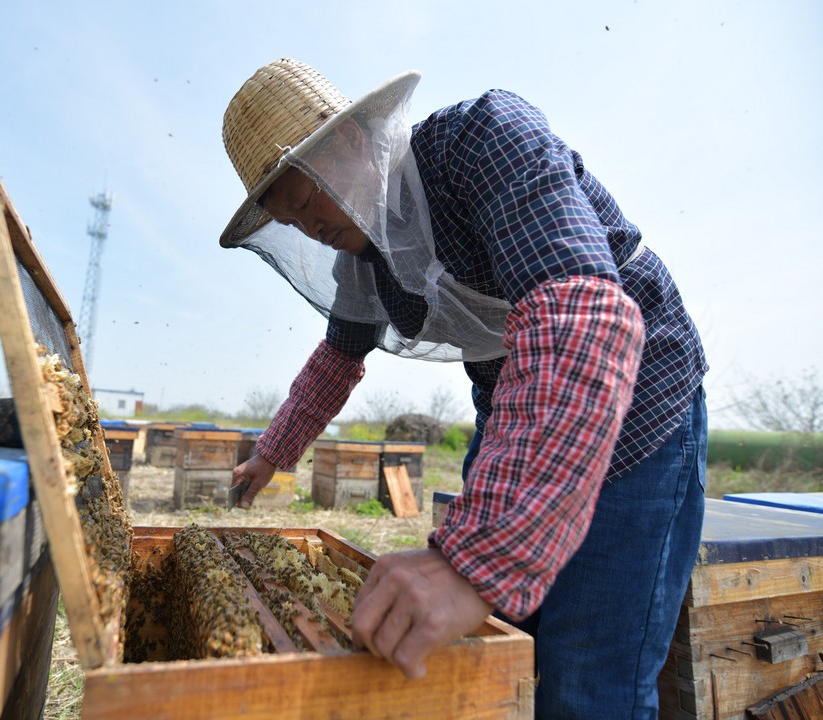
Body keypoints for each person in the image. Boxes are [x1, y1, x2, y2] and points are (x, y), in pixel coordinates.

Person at [219, 58, 708, 718]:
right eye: (291, 219)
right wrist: (271, 453)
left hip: (639, 402)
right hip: (513, 403)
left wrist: (475, 561)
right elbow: (336, 359)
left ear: (351, 141)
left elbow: (580, 317)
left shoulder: (483, 140)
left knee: (587, 676)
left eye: (306, 201)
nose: (309, 227)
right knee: (497, 646)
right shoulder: (361, 260)